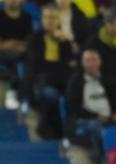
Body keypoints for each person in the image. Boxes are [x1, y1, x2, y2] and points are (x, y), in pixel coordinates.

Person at [25, 4, 76, 140]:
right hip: (42, 82)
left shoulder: (64, 42)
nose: (49, 21)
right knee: (51, 95)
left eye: (53, 18)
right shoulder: (34, 39)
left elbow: (70, 64)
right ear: (42, 19)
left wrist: (65, 42)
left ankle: (73, 134)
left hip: (62, 82)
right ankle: (47, 129)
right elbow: (37, 66)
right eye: (46, 17)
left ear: (59, 20)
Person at [65, 49, 116, 163]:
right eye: (87, 60)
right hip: (85, 119)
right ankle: (105, 161)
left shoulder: (108, 80)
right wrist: (95, 116)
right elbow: (73, 107)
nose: (91, 63)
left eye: (94, 60)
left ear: (100, 62)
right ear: (82, 63)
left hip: (109, 117)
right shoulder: (75, 81)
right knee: (97, 128)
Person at [0, 0, 34, 109]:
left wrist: (13, 44)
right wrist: (11, 45)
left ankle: (26, 95)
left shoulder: (27, 18)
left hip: (22, 53)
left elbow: (30, 42)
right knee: (16, 59)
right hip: (1, 54)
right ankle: (13, 91)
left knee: (31, 58)